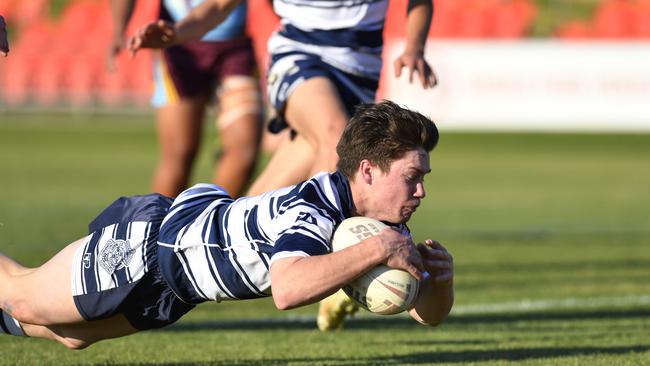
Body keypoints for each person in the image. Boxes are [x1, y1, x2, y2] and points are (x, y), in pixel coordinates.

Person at [0, 100, 454, 349]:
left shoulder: (379, 225)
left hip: (178, 289)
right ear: (369, 170)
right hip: (151, 249)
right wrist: (378, 252)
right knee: (21, 297)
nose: (421, 192)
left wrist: (440, 283)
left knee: (71, 337)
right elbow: (288, 290)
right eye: (412, 178)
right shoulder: (315, 208)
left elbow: (422, 313)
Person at [127, 0, 438, 330]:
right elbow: (218, 5)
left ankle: (173, 251)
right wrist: (176, 33)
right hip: (299, 57)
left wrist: (414, 48)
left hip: (359, 73)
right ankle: (334, 273)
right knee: (333, 133)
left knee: (261, 203)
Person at [109, 0, 263, 198]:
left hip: (234, 47)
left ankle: (206, 217)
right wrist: (118, 29)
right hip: (177, 45)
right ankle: (157, 226)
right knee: (180, 153)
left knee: (245, 153)